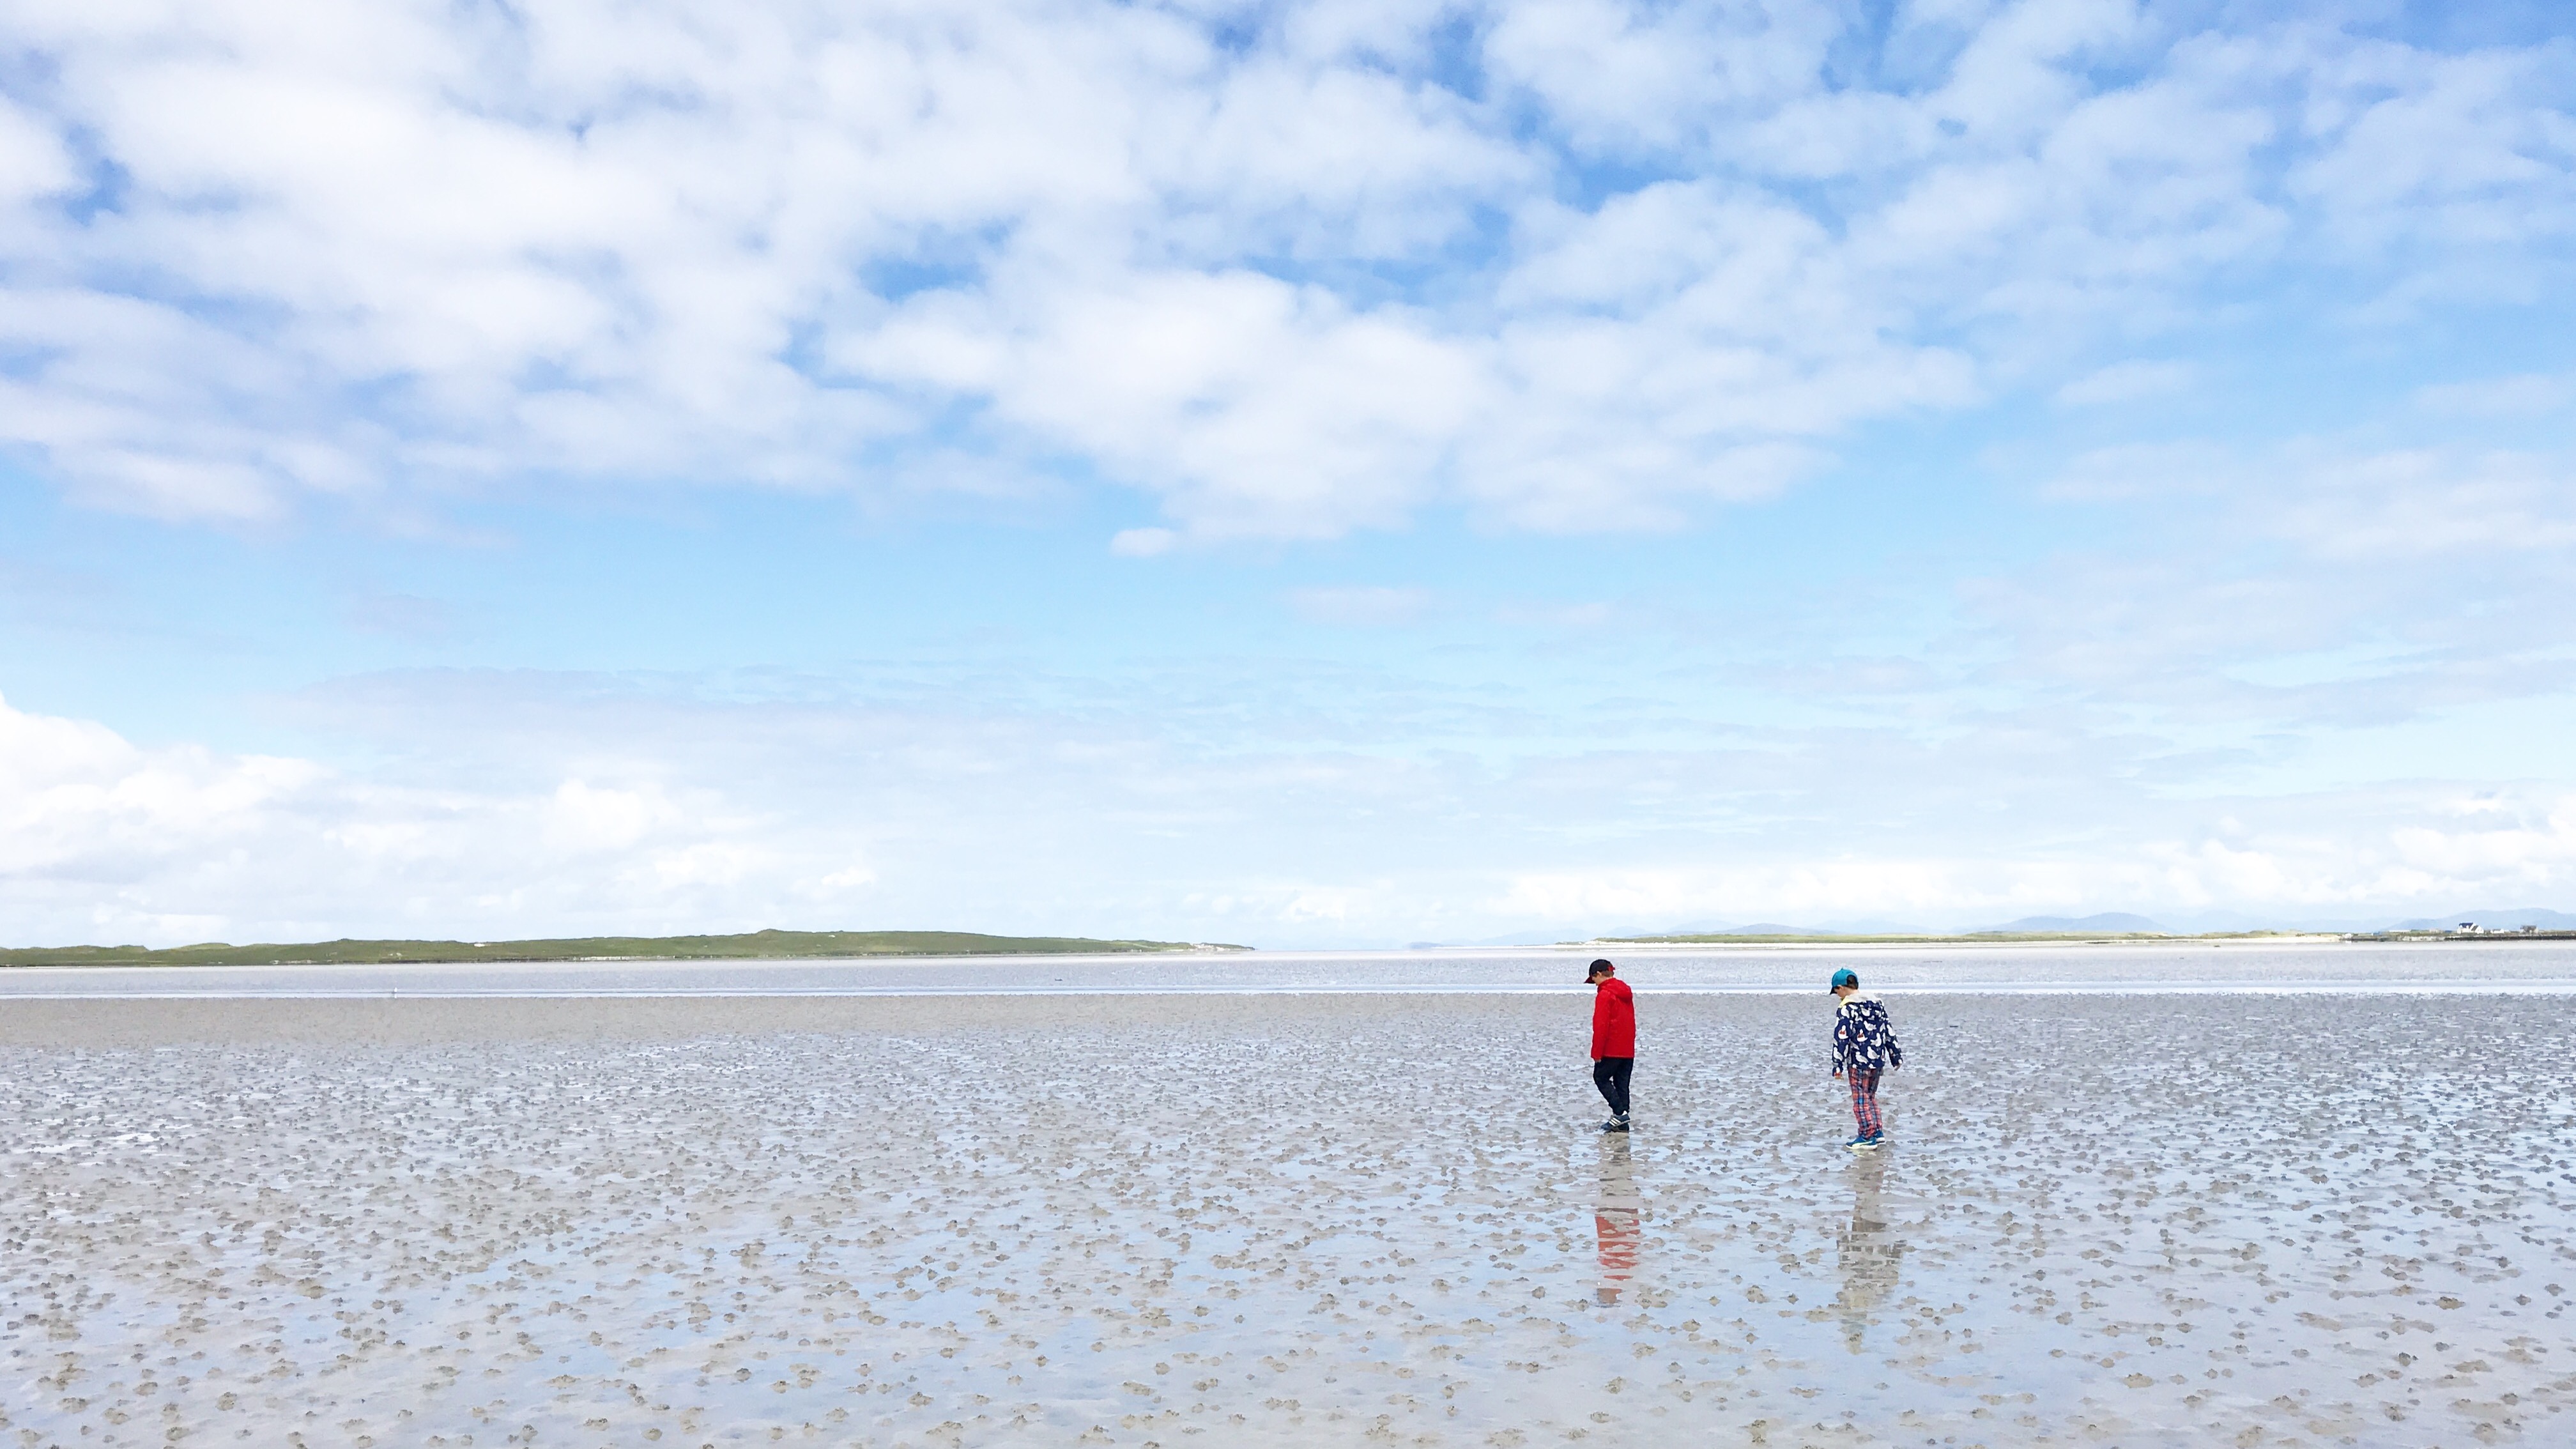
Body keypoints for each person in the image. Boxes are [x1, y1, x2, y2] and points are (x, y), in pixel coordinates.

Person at [1829, 967, 1901, 1150]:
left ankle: (1867, 1135)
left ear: (1841, 988)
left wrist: (1837, 1065)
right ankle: (1877, 1132)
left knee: (1860, 1099)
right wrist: (1896, 1056)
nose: (1838, 996)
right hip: (1877, 1060)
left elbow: (1841, 1038)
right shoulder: (1877, 1004)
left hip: (1858, 1062)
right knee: (1870, 1097)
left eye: (1836, 991)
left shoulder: (1847, 1008)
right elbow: (1888, 1031)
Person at [1586, 958, 1634, 1132]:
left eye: (1594, 980)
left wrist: (1596, 1052)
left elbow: (1601, 1026)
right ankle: (1622, 1122)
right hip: (1627, 1048)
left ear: (1598, 974)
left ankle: (1620, 1113)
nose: (1595, 984)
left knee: (1600, 1078)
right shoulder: (1625, 992)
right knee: (1622, 1082)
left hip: (1611, 1048)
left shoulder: (1605, 994)